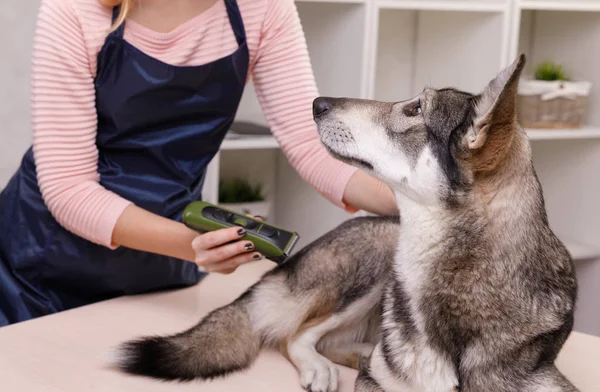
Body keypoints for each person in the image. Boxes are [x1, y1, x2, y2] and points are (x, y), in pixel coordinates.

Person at [0, 0, 396, 327]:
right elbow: (68, 187)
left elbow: (312, 145)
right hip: (42, 270)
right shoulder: (75, 10)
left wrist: (420, 198)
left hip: (163, 274)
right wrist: (190, 245)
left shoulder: (262, 9)